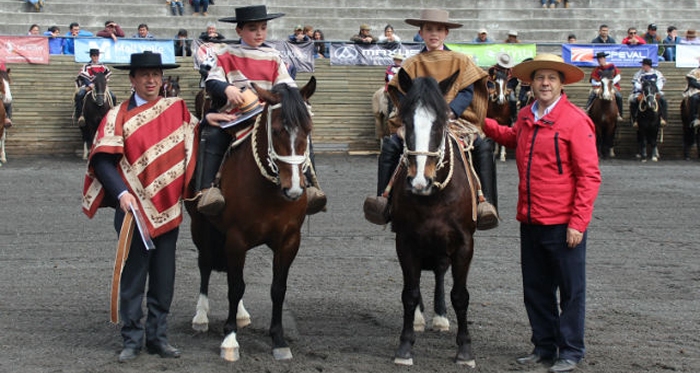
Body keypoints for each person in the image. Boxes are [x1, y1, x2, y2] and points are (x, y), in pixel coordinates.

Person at [482, 53, 601, 373]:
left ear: (561, 84)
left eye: (551, 78)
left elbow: (589, 176)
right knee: (535, 289)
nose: (545, 83)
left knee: (571, 291)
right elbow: (511, 138)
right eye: (539, 78)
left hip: (564, 224)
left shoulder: (576, 121)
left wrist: (578, 223)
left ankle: (571, 350)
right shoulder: (524, 116)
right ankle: (544, 347)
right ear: (531, 83)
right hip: (531, 220)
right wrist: (481, 121)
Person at [82, 51, 197, 363]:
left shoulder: (178, 110)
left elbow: (196, 138)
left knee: (164, 277)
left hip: (168, 209)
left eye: (156, 74)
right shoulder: (116, 116)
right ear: (132, 79)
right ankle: (132, 339)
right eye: (144, 75)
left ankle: (158, 338)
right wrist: (121, 193)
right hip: (131, 210)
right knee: (133, 276)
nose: (151, 80)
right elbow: (103, 161)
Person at [364, 8, 499, 230]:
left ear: (446, 33)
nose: (433, 33)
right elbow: (398, 90)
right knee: (391, 145)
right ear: (421, 33)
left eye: (438, 29)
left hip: (454, 119)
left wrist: (451, 111)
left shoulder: (460, 60)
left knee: (483, 146)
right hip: (418, 121)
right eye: (429, 29)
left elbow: (467, 91)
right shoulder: (412, 63)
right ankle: (384, 200)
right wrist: (412, 115)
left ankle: (487, 204)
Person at [196, 5, 326, 216]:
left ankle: (310, 185)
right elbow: (212, 80)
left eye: (263, 28)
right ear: (239, 31)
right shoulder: (225, 53)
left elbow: (287, 86)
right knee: (211, 135)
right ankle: (206, 190)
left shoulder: (274, 56)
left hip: (267, 117)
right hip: (235, 118)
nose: (259, 33)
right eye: (252, 28)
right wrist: (227, 88)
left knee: (301, 135)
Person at [74, 48, 116, 127]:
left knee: (113, 96)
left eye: (97, 55)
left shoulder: (103, 66)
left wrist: (102, 83)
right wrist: (89, 84)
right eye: (94, 56)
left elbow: (106, 76)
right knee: (79, 95)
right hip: (89, 86)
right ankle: (80, 115)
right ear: (91, 56)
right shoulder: (86, 66)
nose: (95, 57)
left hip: (101, 87)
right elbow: (83, 76)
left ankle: (112, 116)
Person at [584, 52, 624, 121]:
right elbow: (593, 80)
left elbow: (618, 76)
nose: (600, 61)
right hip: (600, 86)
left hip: (611, 85)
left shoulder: (611, 66)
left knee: (618, 96)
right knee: (593, 94)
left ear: (604, 59)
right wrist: (600, 83)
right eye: (599, 59)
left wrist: (611, 82)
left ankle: (619, 113)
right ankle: (587, 109)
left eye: (601, 59)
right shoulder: (596, 69)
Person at [629, 58, 667, 127]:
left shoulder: (657, 73)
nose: (642, 66)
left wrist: (655, 89)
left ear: (648, 65)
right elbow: (635, 83)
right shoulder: (639, 74)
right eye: (643, 65)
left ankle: (662, 118)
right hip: (641, 92)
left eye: (643, 65)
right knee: (633, 101)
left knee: (663, 100)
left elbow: (660, 82)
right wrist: (643, 88)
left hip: (654, 92)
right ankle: (635, 120)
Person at [488, 52, 519, 124]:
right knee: (486, 98)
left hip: (507, 88)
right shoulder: (492, 70)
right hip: (495, 87)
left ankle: (513, 116)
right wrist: (491, 88)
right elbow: (489, 79)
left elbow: (514, 81)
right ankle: (483, 115)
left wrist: (509, 88)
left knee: (513, 99)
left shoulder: (511, 70)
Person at [684, 62, 700, 128]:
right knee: (694, 98)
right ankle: (694, 118)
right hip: (696, 91)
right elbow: (692, 82)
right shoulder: (694, 72)